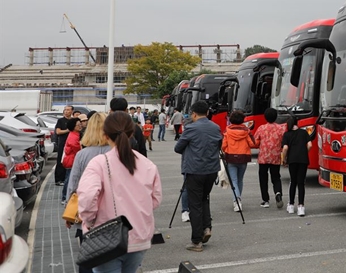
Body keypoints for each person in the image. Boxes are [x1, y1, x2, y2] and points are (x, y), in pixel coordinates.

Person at [78, 111, 162, 273]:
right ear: (132, 133)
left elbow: (87, 198)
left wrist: (89, 222)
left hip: (105, 237)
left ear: (105, 135)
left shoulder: (98, 163)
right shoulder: (147, 164)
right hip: (139, 236)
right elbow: (155, 200)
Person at [174, 101, 223, 252]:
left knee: (194, 204)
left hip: (195, 170)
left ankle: (197, 241)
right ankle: (206, 228)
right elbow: (219, 145)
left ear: (194, 114)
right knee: (204, 199)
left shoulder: (191, 128)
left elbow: (178, 148)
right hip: (211, 170)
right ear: (207, 113)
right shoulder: (216, 127)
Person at [65, 112, 110, 273]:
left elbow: (74, 186)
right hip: (113, 214)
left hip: (87, 215)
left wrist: (69, 211)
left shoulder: (82, 155)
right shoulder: (116, 151)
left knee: (87, 259)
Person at [222, 109, 256, 212]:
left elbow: (223, 146)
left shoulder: (227, 131)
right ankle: (238, 198)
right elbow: (252, 144)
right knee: (240, 180)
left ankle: (237, 200)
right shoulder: (246, 131)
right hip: (243, 157)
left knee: (234, 181)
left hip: (231, 157)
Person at [253, 108, 286, 209]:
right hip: (276, 156)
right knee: (276, 177)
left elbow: (255, 142)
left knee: (263, 178)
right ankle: (278, 193)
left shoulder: (261, 128)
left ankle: (265, 200)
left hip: (263, 157)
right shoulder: (281, 129)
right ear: (276, 117)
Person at [281, 117, 312, 217]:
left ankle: (290, 205)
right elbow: (310, 145)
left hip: (292, 159)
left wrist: (284, 158)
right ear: (297, 123)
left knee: (293, 181)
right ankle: (301, 207)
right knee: (301, 183)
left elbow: (285, 148)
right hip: (303, 159)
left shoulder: (287, 134)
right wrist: (304, 152)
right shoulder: (303, 133)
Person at [61, 117, 83, 204]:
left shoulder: (74, 134)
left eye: (80, 124)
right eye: (78, 125)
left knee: (69, 178)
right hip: (71, 160)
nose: (80, 126)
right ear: (73, 126)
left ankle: (65, 197)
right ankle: (64, 197)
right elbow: (77, 148)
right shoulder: (73, 136)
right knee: (69, 179)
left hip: (71, 159)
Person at [55, 105, 74, 186]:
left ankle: (67, 178)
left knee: (69, 161)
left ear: (72, 111)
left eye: (68, 110)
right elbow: (58, 131)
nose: (66, 111)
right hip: (62, 143)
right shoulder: (60, 121)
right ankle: (58, 179)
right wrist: (67, 130)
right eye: (65, 110)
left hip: (71, 144)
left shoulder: (73, 120)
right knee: (60, 161)